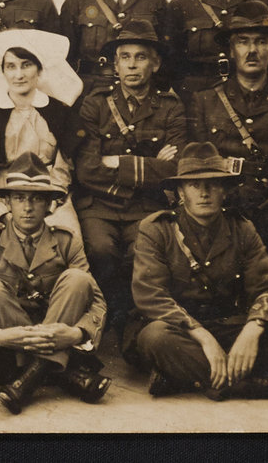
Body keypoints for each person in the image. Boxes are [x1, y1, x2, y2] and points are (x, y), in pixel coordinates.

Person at [132, 142, 268, 401]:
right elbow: (151, 295)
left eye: (213, 184)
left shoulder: (241, 228)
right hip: (181, 330)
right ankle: (255, 385)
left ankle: (187, 378)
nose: (204, 193)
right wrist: (203, 337)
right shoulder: (157, 229)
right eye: (194, 185)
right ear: (180, 192)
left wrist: (253, 329)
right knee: (154, 338)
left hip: (228, 326)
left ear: (224, 191)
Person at [0, 152, 110, 415]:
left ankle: (26, 380)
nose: (27, 207)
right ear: (7, 202)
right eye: (20, 198)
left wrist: (77, 334)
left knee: (78, 279)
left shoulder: (67, 241)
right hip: (6, 349)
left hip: (50, 339)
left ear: (48, 205)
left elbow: (97, 301)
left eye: (36, 198)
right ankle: (60, 371)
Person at [189, 2, 268, 314]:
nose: (252, 50)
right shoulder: (204, 102)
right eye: (243, 42)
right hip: (221, 205)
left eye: (261, 41)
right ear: (231, 51)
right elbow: (195, 165)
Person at [74, 19, 187, 334]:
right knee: (100, 249)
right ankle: (107, 314)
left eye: (141, 57)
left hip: (147, 206)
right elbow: (87, 169)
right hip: (100, 205)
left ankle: (134, 322)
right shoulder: (95, 104)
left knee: (143, 251)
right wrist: (147, 164)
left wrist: (117, 163)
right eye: (125, 57)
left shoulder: (171, 108)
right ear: (115, 64)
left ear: (155, 63)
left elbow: (173, 171)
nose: (133, 65)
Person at [0, 29, 83, 252]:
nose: (18, 74)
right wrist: (2, 212)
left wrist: (49, 206)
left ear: (39, 70)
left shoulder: (59, 113)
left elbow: (62, 170)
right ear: (2, 72)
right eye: (11, 66)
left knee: (68, 243)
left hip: (49, 197)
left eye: (26, 64)